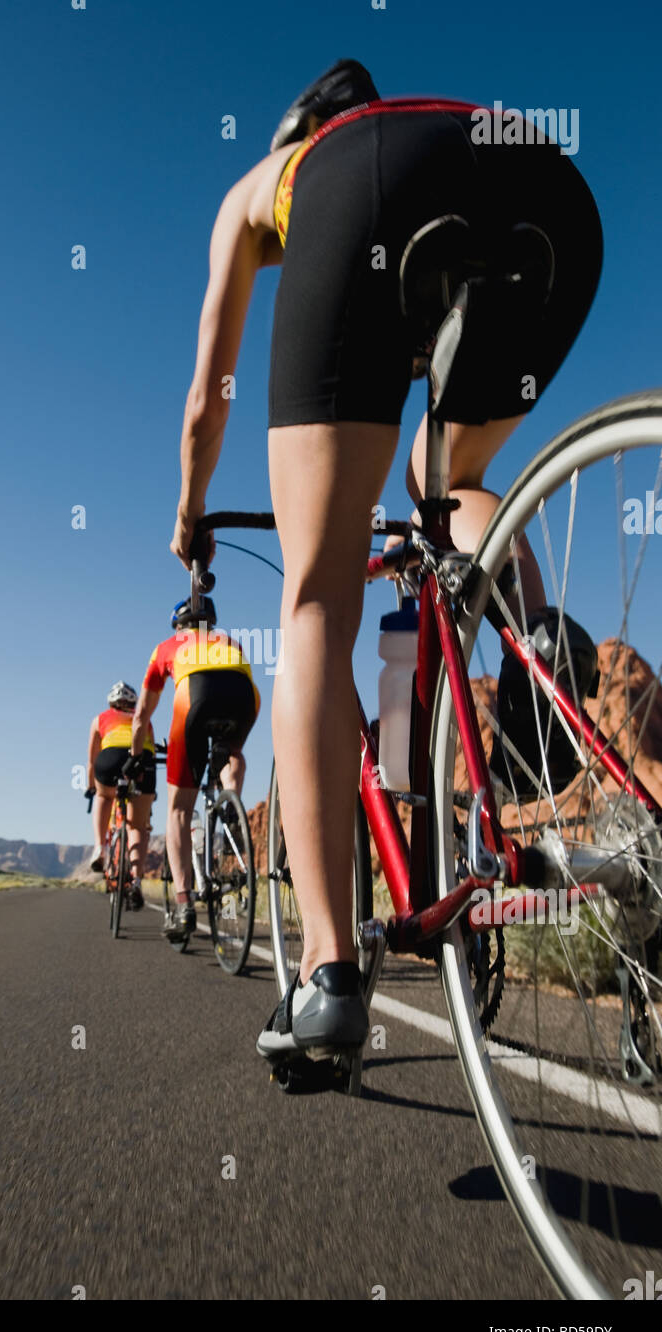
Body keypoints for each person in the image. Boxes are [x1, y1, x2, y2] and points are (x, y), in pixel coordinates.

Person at [168, 60, 603, 1062]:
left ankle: (327, 974)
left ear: (295, 131)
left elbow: (206, 400)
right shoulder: (411, 119)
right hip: (547, 187)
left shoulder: (268, 184)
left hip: (368, 192)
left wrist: (191, 514)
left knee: (318, 601)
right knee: (441, 477)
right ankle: (539, 637)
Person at [129, 597, 259, 941]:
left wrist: (135, 755)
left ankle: (184, 903)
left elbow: (141, 715)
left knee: (179, 811)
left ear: (178, 625)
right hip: (245, 697)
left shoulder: (165, 647)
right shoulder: (229, 640)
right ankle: (231, 804)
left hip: (195, 698)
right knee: (231, 752)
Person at [87, 681, 157, 909]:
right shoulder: (143, 719)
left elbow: (92, 760)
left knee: (104, 797)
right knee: (137, 827)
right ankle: (136, 880)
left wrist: (91, 787)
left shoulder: (100, 719)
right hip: (142, 763)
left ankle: (100, 848)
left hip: (109, 760)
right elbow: (151, 747)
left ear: (111, 703)